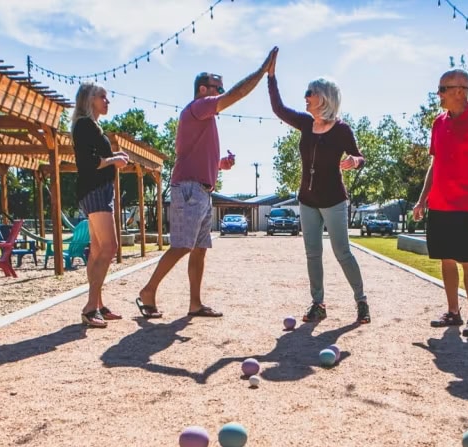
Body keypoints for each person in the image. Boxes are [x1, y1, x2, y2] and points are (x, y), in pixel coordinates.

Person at [137, 48, 278, 319]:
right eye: (216, 87)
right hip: (189, 189)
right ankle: (148, 291)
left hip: (201, 189)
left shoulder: (205, 118)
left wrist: (220, 165)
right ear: (203, 89)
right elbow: (234, 96)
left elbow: (196, 154)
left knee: (199, 250)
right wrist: (261, 72)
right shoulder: (199, 108)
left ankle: (195, 304)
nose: (220, 91)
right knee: (182, 246)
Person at [266, 51, 369, 324]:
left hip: (334, 200)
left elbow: (360, 157)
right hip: (307, 200)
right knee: (313, 253)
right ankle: (318, 304)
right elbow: (278, 109)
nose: (305, 97)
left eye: (309, 92)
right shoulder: (305, 124)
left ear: (323, 96)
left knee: (342, 252)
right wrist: (271, 76)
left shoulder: (342, 129)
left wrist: (354, 161)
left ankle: (361, 301)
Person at [412, 69, 468, 338]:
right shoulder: (439, 123)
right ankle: (453, 312)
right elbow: (435, 164)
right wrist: (422, 199)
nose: (438, 94)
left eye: (442, 89)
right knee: (446, 259)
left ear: (459, 91)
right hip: (440, 205)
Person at [71, 82, 129, 328]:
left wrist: (113, 160)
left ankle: (98, 305)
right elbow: (88, 162)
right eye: (102, 97)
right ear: (89, 99)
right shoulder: (85, 125)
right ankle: (90, 306)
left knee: (96, 250)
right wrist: (114, 159)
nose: (107, 101)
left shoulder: (92, 126)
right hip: (95, 191)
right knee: (110, 247)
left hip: (98, 191)